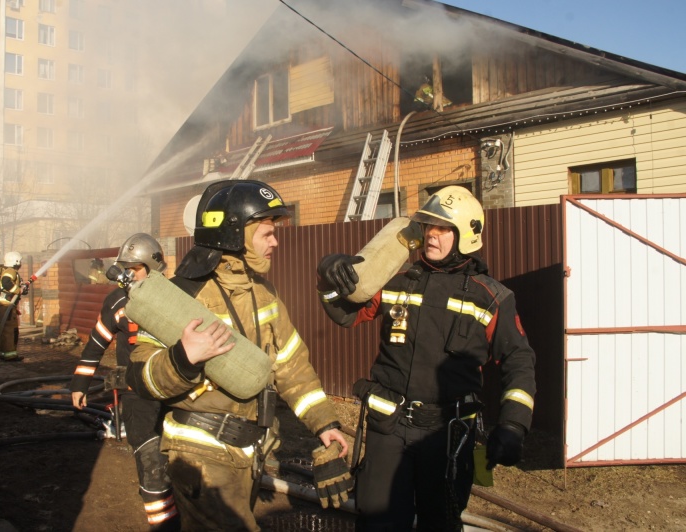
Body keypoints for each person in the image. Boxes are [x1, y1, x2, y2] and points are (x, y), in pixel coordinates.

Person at [127, 180, 352, 531]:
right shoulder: (180, 297)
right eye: (267, 233)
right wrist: (183, 358)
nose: (275, 241)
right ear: (236, 235)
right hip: (200, 453)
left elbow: (291, 364)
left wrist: (325, 424)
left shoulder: (263, 292)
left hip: (249, 452)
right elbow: (141, 375)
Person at [317, 185, 537, 531]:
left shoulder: (492, 298)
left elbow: (518, 361)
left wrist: (513, 424)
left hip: (446, 437)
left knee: (440, 524)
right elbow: (346, 314)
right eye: (428, 226)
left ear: (467, 234)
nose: (431, 235)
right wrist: (328, 276)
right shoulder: (396, 282)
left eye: (443, 228)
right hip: (388, 429)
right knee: (378, 522)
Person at [70, 233, 179, 530]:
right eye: (124, 268)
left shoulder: (176, 298)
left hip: (173, 394)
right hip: (136, 394)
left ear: (154, 268)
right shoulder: (118, 300)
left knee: (181, 461)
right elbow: (96, 343)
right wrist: (79, 386)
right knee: (150, 460)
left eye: (135, 269)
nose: (126, 275)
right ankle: (163, 525)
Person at [0, 251, 27, 362]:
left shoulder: (9, 271)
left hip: (5, 304)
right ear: (16, 261)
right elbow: (6, 282)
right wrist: (18, 290)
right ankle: (10, 355)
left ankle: (5, 353)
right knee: (10, 330)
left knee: (5, 329)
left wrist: (22, 289)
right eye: (20, 261)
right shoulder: (11, 271)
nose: (21, 263)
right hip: (5, 304)